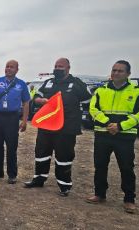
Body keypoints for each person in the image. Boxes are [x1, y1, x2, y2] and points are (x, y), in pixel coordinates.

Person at [24, 58, 92, 197]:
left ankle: (64, 185)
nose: (57, 68)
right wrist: (40, 100)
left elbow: (88, 101)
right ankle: (39, 179)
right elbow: (36, 96)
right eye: (55, 66)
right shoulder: (49, 82)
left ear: (68, 68)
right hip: (46, 126)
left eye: (60, 66)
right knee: (41, 153)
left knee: (64, 156)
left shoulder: (76, 83)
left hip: (66, 128)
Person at [86, 60, 139, 214]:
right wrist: (107, 123)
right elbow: (93, 109)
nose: (116, 73)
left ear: (128, 74)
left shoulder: (138, 92)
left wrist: (120, 126)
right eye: (114, 70)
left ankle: (129, 199)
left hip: (125, 136)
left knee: (126, 167)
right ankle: (100, 194)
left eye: (120, 71)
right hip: (103, 133)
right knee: (100, 165)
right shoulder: (101, 90)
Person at [0, 60, 30, 184]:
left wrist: (24, 120)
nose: (8, 69)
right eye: (7, 66)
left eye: (11, 67)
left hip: (12, 118)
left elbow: (26, 103)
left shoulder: (21, 84)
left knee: (11, 146)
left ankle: (12, 174)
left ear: (17, 70)